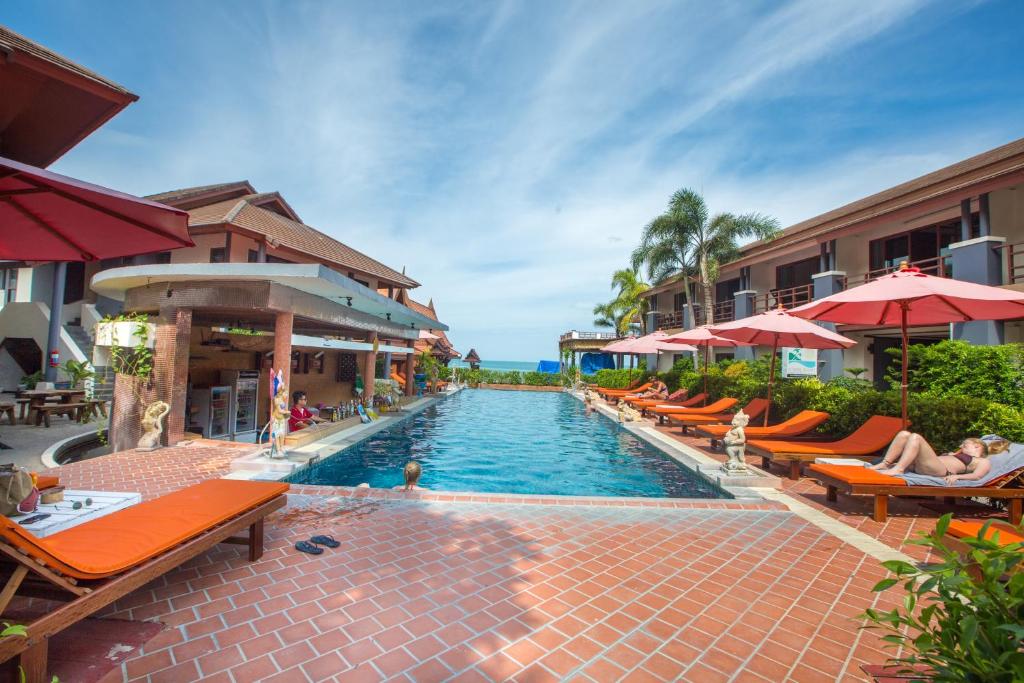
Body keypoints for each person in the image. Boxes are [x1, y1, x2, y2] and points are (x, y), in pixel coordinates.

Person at [870, 431, 993, 485]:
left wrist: (957, 476)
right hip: (925, 465)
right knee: (904, 434)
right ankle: (885, 463)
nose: (961, 446)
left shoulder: (982, 461)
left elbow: (977, 476)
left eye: (965, 444)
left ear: (977, 446)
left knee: (916, 437)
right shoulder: (956, 454)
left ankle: (899, 469)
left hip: (940, 470)